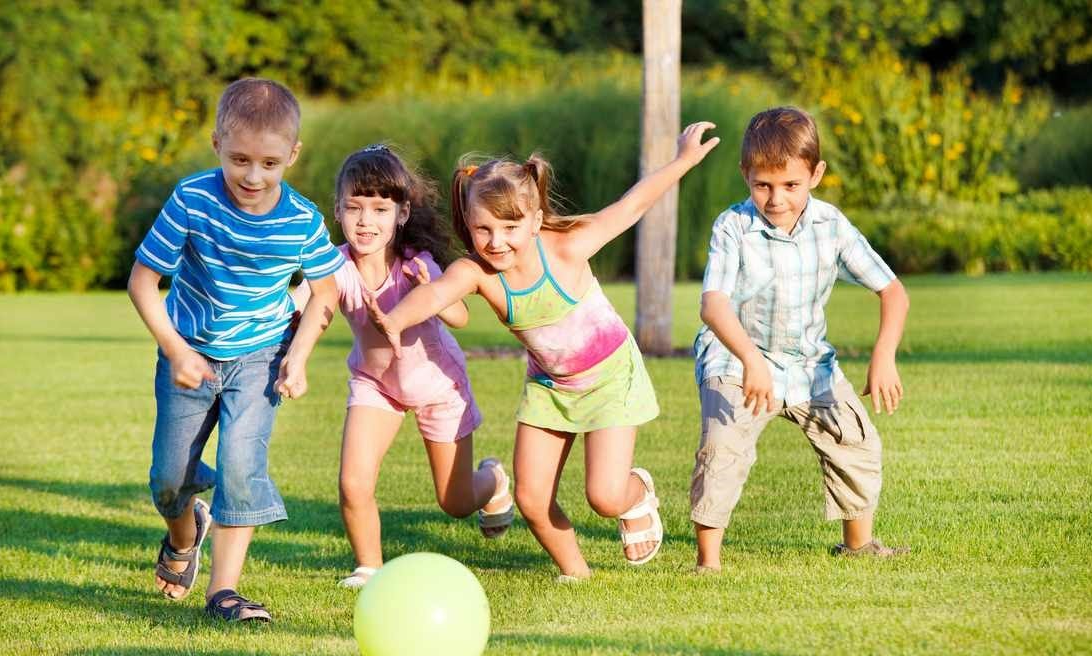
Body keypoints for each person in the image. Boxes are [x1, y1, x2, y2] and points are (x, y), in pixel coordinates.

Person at [363, 122, 720, 581]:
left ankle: (635, 495)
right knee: (531, 499)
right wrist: (395, 320)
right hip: (550, 387)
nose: (496, 242)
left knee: (604, 496)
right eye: (483, 229)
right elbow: (436, 293)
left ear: (534, 221)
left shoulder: (568, 247)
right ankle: (577, 574)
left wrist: (683, 160)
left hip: (610, 378)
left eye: (510, 227)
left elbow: (632, 205)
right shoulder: (477, 272)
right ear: (468, 224)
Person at [127, 78, 345, 622]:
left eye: (269, 163)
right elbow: (142, 281)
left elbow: (326, 291)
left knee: (242, 466)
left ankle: (223, 591)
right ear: (217, 144)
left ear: (292, 155)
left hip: (259, 358)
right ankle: (184, 536)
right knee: (168, 480)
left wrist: (297, 356)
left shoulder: (301, 220)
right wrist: (175, 350)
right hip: (189, 354)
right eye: (240, 159)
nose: (253, 176)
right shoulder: (193, 199)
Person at [690, 106, 910, 573]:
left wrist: (884, 355)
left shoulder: (831, 225)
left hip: (809, 364)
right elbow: (713, 306)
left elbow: (892, 291)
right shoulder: (732, 227)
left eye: (791, 185)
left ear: (816, 174)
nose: (776, 199)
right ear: (745, 174)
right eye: (762, 185)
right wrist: (750, 359)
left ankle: (858, 546)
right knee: (723, 448)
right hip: (735, 358)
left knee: (855, 440)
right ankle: (708, 563)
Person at [289, 144, 513, 590]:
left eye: (379, 209)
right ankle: (369, 568)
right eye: (354, 207)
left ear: (402, 213)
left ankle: (494, 480)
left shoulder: (416, 264)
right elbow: (308, 302)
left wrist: (433, 292)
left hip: (438, 386)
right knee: (353, 483)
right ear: (338, 210)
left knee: (455, 502)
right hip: (376, 385)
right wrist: (287, 333)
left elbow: (460, 317)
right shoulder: (335, 265)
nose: (365, 221)